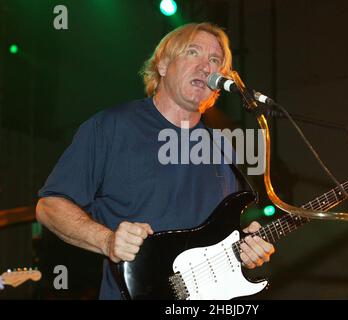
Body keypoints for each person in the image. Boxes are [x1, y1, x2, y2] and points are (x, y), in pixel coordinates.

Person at [36, 22, 275, 300]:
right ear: (162, 65)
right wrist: (108, 241)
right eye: (193, 52)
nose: (205, 66)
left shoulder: (222, 148)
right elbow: (49, 206)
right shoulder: (112, 127)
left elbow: (219, 240)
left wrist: (245, 252)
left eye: (214, 61)